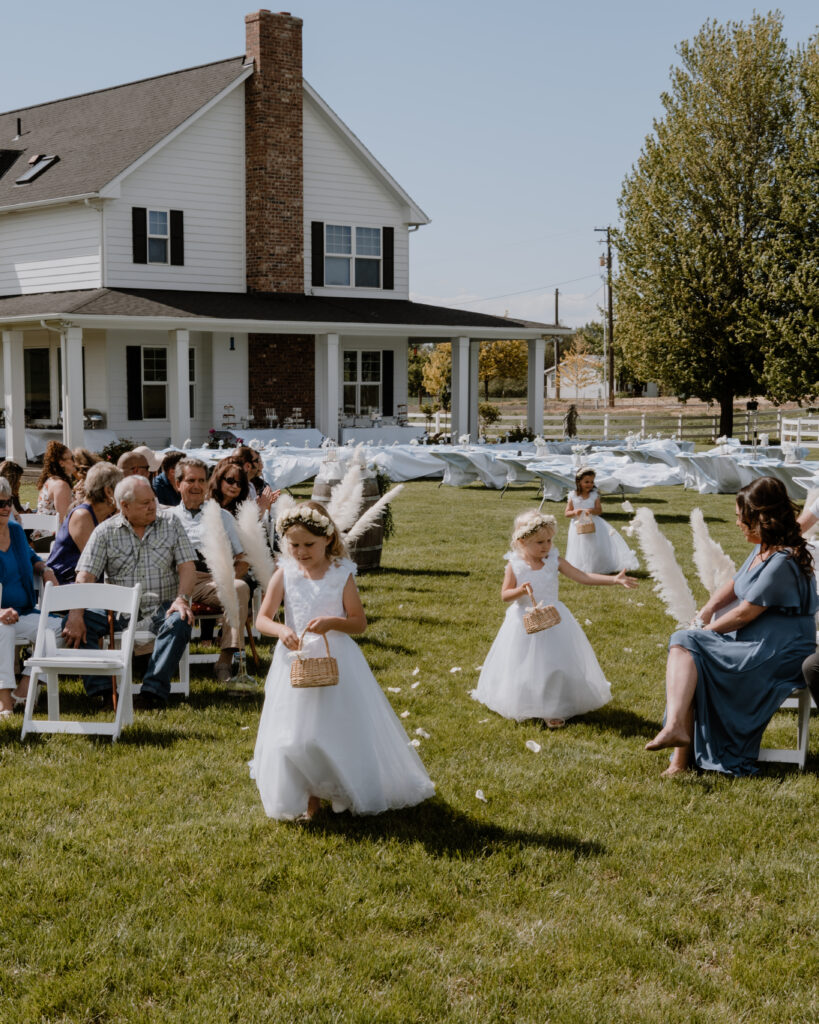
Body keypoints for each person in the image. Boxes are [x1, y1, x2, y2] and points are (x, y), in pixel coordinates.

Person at [250, 501, 435, 821]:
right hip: (295, 661)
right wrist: (281, 629)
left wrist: (332, 622)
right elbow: (262, 619)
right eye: (294, 545)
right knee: (295, 733)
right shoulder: (286, 573)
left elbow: (359, 623)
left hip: (336, 657)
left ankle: (343, 788)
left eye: (309, 544)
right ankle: (309, 796)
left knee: (337, 728)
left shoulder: (340, 574)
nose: (302, 552)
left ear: (327, 539)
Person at [646, 477, 818, 778]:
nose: (737, 523)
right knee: (689, 651)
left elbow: (743, 615)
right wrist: (708, 609)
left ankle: (677, 746)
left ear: (760, 518)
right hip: (755, 641)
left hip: (779, 649)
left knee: (689, 644)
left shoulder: (782, 560)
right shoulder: (764, 548)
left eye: (741, 517)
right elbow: (736, 584)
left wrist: (704, 633)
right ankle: (677, 753)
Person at [472, 510, 637, 728]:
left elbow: (582, 576)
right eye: (540, 542)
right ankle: (525, 700)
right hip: (524, 621)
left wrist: (613, 580)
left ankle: (554, 707)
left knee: (554, 662)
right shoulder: (515, 565)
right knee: (524, 664)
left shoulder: (554, 561)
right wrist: (520, 591)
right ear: (522, 541)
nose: (546, 546)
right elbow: (505, 595)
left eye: (549, 540)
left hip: (554, 620)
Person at [63, 475, 196, 710]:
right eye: (145, 503)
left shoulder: (171, 523)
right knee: (75, 621)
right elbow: (85, 575)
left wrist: (182, 599)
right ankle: (104, 692)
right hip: (118, 611)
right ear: (124, 506)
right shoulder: (105, 531)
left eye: (153, 500)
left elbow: (187, 566)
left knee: (180, 619)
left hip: (162, 606)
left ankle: (152, 693)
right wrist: (75, 613)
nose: (152, 506)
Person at [171, 458, 251, 683]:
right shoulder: (167, 518)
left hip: (210, 580)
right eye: (190, 480)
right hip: (175, 582)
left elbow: (242, 557)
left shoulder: (221, 516)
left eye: (201, 480)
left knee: (239, 588)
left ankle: (225, 660)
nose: (197, 486)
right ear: (178, 484)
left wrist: (228, 579)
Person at [0, 478, 60, 715]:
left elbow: (30, 555)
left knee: (58, 628)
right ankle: (4, 699)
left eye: (9, 502)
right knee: (3, 630)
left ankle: (25, 686)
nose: (5, 508)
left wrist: (45, 569)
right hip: (2, 618)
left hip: (22, 611)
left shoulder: (14, 531)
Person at [46, 463, 123, 584]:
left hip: (90, 584)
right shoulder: (82, 516)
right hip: (66, 587)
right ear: (108, 492)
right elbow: (97, 561)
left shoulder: (107, 515)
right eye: (122, 489)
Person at [565, 468, 638, 574]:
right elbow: (567, 513)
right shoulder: (573, 495)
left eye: (591, 482)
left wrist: (590, 510)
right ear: (578, 481)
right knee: (580, 547)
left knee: (595, 546)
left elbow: (599, 510)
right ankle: (581, 566)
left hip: (593, 524)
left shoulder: (594, 495)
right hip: (578, 525)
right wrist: (575, 512)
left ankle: (596, 566)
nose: (589, 484)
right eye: (586, 482)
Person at [233, 445, 279, 513]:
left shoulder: (250, 486)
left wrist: (266, 502)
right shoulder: (234, 487)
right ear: (248, 466)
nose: (261, 466)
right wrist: (262, 506)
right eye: (257, 461)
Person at [36, 441, 75, 522]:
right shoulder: (60, 485)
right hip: (52, 533)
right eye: (72, 458)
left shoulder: (52, 480)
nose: (75, 462)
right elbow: (64, 519)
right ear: (61, 463)